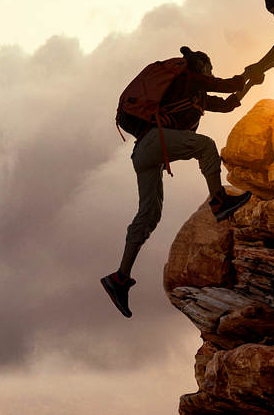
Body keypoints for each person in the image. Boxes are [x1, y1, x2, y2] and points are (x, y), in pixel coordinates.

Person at [102, 46, 253, 318]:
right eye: (209, 69)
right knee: (206, 146)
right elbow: (228, 85)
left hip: (145, 153)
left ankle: (120, 278)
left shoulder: (195, 95)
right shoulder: (189, 79)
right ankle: (219, 202)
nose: (210, 74)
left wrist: (249, 84)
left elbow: (229, 102)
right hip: (156, 142)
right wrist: (249, 75)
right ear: (201, 68)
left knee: (149, 214)